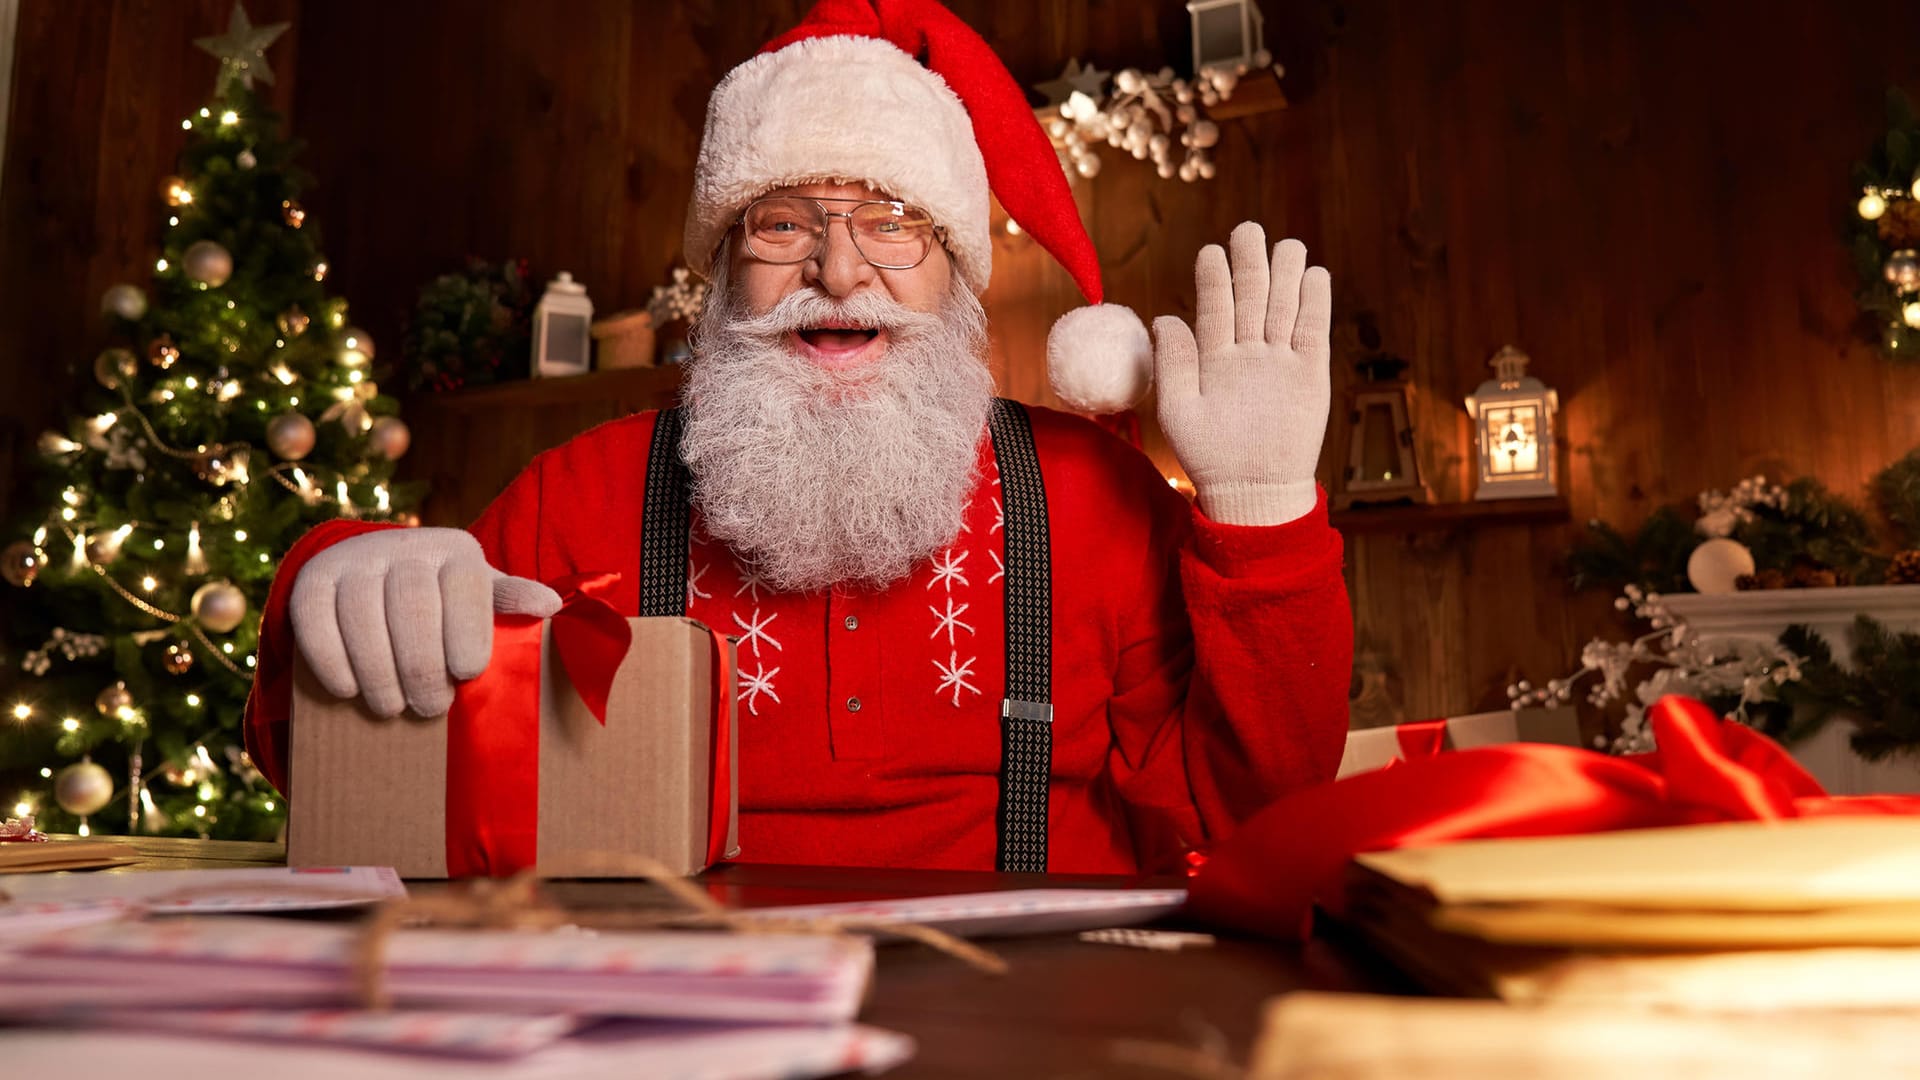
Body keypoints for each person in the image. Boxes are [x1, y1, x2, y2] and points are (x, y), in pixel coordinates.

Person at [243, 0, 1352, 874]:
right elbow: (353, 775)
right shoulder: (575, 494)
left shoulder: (1091, 496)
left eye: (893, 221)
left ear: (960, 273)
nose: (836, 270)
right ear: (721, 275)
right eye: (782, 223)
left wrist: (1261, 517)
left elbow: (1247, 814)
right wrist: (337, 580)